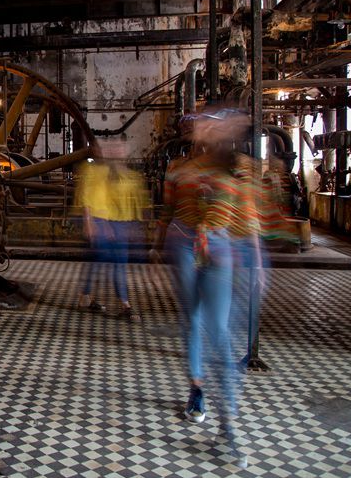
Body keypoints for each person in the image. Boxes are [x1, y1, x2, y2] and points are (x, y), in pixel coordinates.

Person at [152, 108, 248, 467]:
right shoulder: (179, 169)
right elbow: (167, 209)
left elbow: (247, 212)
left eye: (211, 125)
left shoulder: (238, 167)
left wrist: (249, 253)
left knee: (219, 329)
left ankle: (227, 422)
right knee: (192, 320)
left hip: (220, 247)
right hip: (183, 245)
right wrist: (158, 245)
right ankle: (197, 391)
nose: (203, 129)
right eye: (199, 125)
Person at [74, 139, 149, 321]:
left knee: (101, 261)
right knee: (112, 261)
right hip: (102, 222)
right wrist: (90, 222)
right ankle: (124, 304)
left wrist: (134, 225)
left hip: (113, 224)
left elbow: (124, 201)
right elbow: (87, 197)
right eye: (111, 149)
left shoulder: (122, 174)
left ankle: (87, 297)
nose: (115, 152)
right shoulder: (93, 171)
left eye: (119, 149)